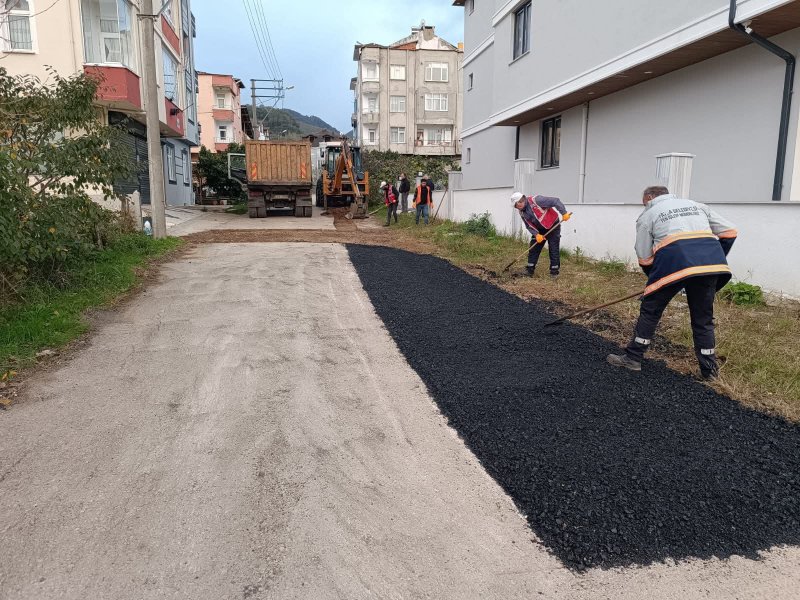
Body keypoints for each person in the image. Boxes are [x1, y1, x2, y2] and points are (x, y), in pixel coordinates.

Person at [607, 185, 738, 379]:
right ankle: (709, 371)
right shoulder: (696, 206)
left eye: (644, 202)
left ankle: (633, 358)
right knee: (703, 319)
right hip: (709, 266)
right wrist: (709, 259)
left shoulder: (648, 215)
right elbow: (730, 232)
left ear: (649, 197)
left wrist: (656, 280)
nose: (645, 206)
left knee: (651, 310)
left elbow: (644, 257)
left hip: (673, 264)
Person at [512, 191, 569, 278]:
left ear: (521, 201)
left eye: (517, 205)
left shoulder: (537, 200)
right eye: (515, 206)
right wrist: (536, 234)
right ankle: (529, 270)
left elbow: (555, 201)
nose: (517, 207)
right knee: (534, 248)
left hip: (553, 225)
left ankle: (554, 272)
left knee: (553, 248)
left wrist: (564, 213)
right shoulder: (522, 212)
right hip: (540, 229)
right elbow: (529, 225)